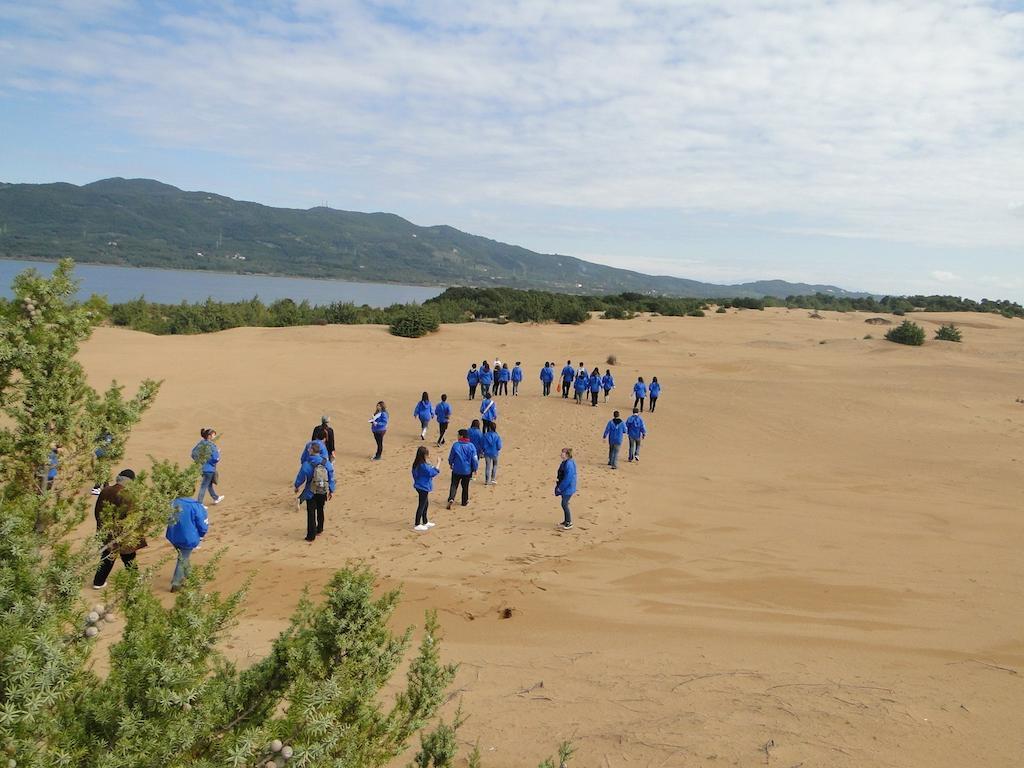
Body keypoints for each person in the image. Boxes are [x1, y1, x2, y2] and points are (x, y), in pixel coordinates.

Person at [93, 469, 144, 588]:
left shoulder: (105, 490)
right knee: (128, 555)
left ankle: (98, 581)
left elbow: (98, 511)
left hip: (106, 529)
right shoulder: (128, 495)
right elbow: (132, 516)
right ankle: (134, 578)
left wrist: (101, 526)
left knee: (108, 555)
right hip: (122, 532)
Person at [294, 441, 335, 542]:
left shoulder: (306, 464)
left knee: (311, 513)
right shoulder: (326, 462)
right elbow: (331, 476)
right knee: (320, 509)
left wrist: (297, 486)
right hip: (322, 490)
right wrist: (331, 489)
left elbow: (301, 477)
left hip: (310, 491)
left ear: (312, 451)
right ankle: (319, 529)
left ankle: (311, 536)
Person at [166, 496, 208, 592]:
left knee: (183, 556)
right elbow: (202, 524)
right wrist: (201, 535)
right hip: (188, 537)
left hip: (173, 536)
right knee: (183, 558)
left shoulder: (173, 502)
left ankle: (189, 575)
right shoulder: (195, 505)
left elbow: (167, 518)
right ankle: (176, 583)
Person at [446, 428, 479, 509]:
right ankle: (464, 501)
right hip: (467, 471)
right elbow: (474, 459)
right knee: (465, 486)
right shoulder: (471, 446)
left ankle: (451, 498)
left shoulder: (456, 445)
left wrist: (450, 463)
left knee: (454, 484)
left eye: (458, 435)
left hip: (456, 469)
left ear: (461, 436)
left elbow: (451, 456)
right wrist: (475, 468)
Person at [412, 445, 441, 531]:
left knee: (425, 504)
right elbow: (432, 473)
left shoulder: (418, 464)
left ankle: (425, 521)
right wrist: (438, 463)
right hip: (423, 486)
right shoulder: (422, 465)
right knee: (422, 505)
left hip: (420, 485)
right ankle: (417, 523)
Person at [191, 428, 223, 505]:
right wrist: (216, 455)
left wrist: (200, 461)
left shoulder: (201, 443)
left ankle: (216, 498)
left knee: (208, 484)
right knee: (204, 486)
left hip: (202, 468)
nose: (214, 436)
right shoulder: (211, 445)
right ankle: (199, 504)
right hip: (209, 469)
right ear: (209, 436)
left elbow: (193, 454)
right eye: (213, 435)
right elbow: (216, 458)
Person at [554, 448, 577, 530]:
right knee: (564, 503)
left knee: (564, 504)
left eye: (562, 453)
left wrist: (560, 488)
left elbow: (568, 478)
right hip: (566, 487)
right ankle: (566, 521)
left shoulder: (569, 464)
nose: (561, 454)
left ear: (567, 454)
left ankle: (569, 522)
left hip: (568, 488)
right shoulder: (565, 462)